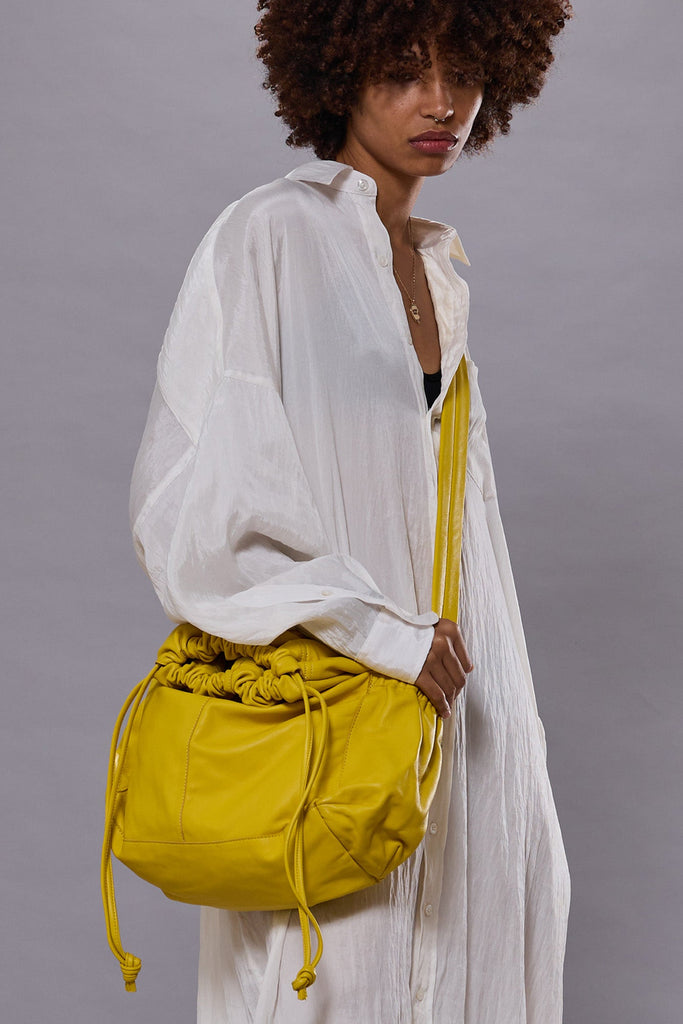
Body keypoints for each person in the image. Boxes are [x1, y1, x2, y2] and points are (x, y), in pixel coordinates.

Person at [129, 1, 573, 1020]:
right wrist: (377, 632)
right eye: (404, 69)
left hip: (474, 735)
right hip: (328, 728)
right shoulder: (272, 237)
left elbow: (465, 539)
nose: (442, 102)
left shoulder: (435, 268)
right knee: (327, 982)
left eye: (464, 69)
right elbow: (195, 506)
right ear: (336, 68)